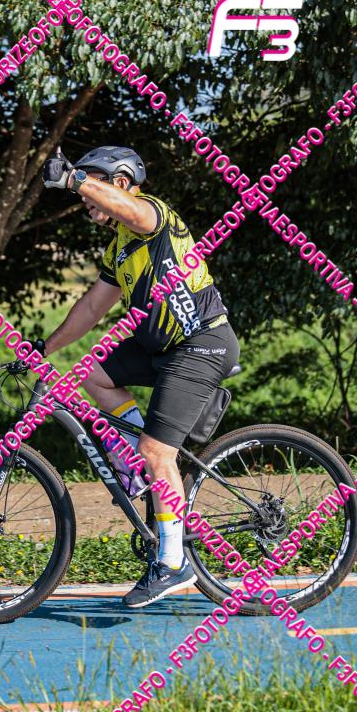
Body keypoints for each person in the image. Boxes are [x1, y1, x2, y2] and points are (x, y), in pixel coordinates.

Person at [41, 145, 239, 608]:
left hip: (200, 343)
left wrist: (71, 178)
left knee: (157, 450)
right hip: (161, 348)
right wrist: (43, 347)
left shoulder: (152, 215)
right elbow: (92, 307)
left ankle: (173, 561)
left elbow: (130, 210)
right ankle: (138, 461)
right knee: (93, 374)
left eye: (94, 184)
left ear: (121, 183)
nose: (85, 197)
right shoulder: (119, 247)